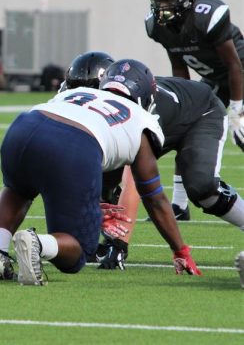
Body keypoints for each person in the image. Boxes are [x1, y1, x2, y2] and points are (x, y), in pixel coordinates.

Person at [0, 59, 201, 285]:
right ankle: (36, 243)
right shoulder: (143, 120)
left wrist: (95, 206)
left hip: (25, 126)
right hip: (76, 145)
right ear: (145, 95)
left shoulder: (79, 92)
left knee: (18, 189)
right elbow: (154, 198)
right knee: (79, 251)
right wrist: (180, 249)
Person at [95, 75, 244, 269]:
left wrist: (119, 245)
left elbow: (139, 185)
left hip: (202, 112)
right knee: (103, 182)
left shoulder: (143, 118)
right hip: (175, 111)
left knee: (202, 187)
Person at [145, 0, 244, 219]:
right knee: (189, 126)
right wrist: (184, 104)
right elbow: (179, 67)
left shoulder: (207, 15)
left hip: (239, 77)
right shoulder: (159, 27)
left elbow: (234, 65)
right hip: (213, 80)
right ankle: (178, 206)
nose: (162, 6)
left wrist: (236, 110)